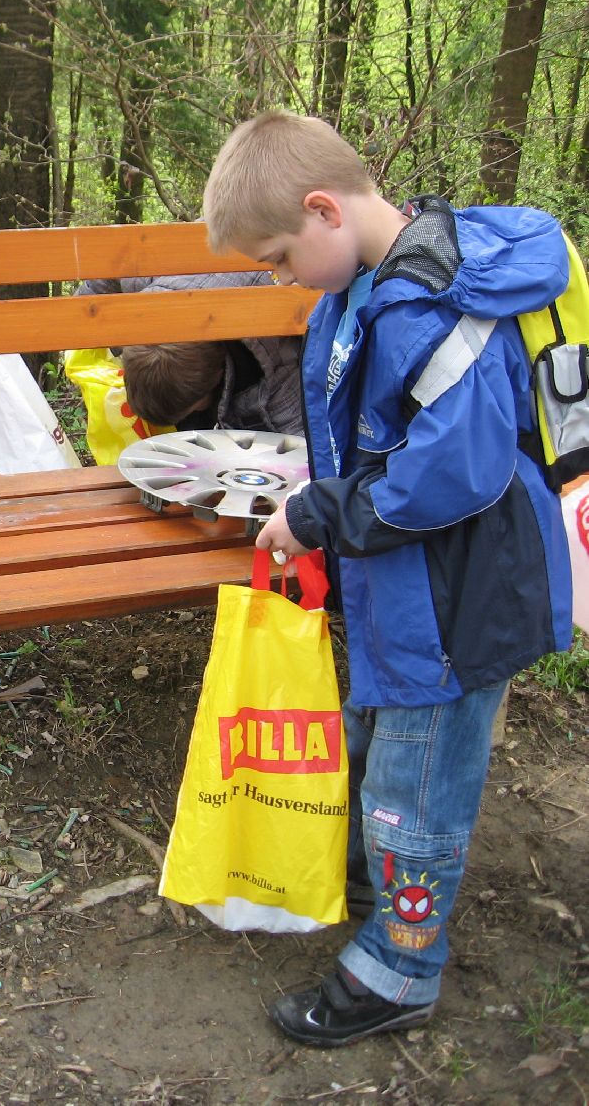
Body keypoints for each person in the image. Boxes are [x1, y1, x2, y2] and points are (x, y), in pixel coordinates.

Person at [203, 110, 573, 1046]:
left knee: (419, 787)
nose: (283, 278)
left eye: (280, 258)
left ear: (324, 210)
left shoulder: (426, 307)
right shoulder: (368, 286)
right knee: (379, 744)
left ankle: (399, 969)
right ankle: (370, 876)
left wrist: (322, 513)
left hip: (456, 601)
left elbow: (453, 469)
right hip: (406, 590)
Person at [77, 271, 304, 433]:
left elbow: (301, 437)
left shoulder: (277, 378)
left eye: (192, 408)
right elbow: (110, 269)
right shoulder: (145, 274)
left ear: (216, 376)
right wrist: (78, 325)